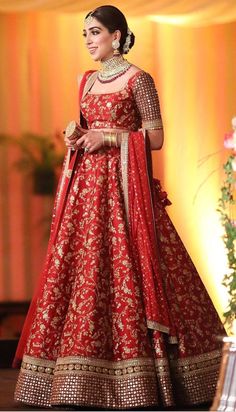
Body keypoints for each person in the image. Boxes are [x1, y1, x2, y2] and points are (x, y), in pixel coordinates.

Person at [14, 5, 225, 410]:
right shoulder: (87, 82)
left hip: (127, 196)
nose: (89, 40)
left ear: (117, 36)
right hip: (88, 193)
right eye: (85, 34)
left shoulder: (138, 79)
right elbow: (88, 130)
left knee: (135, 270)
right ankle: (77, 375)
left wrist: (110, 138)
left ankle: (147, 375)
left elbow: (157, 136)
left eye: (95, 32)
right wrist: (76, 135)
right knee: (84, 272)